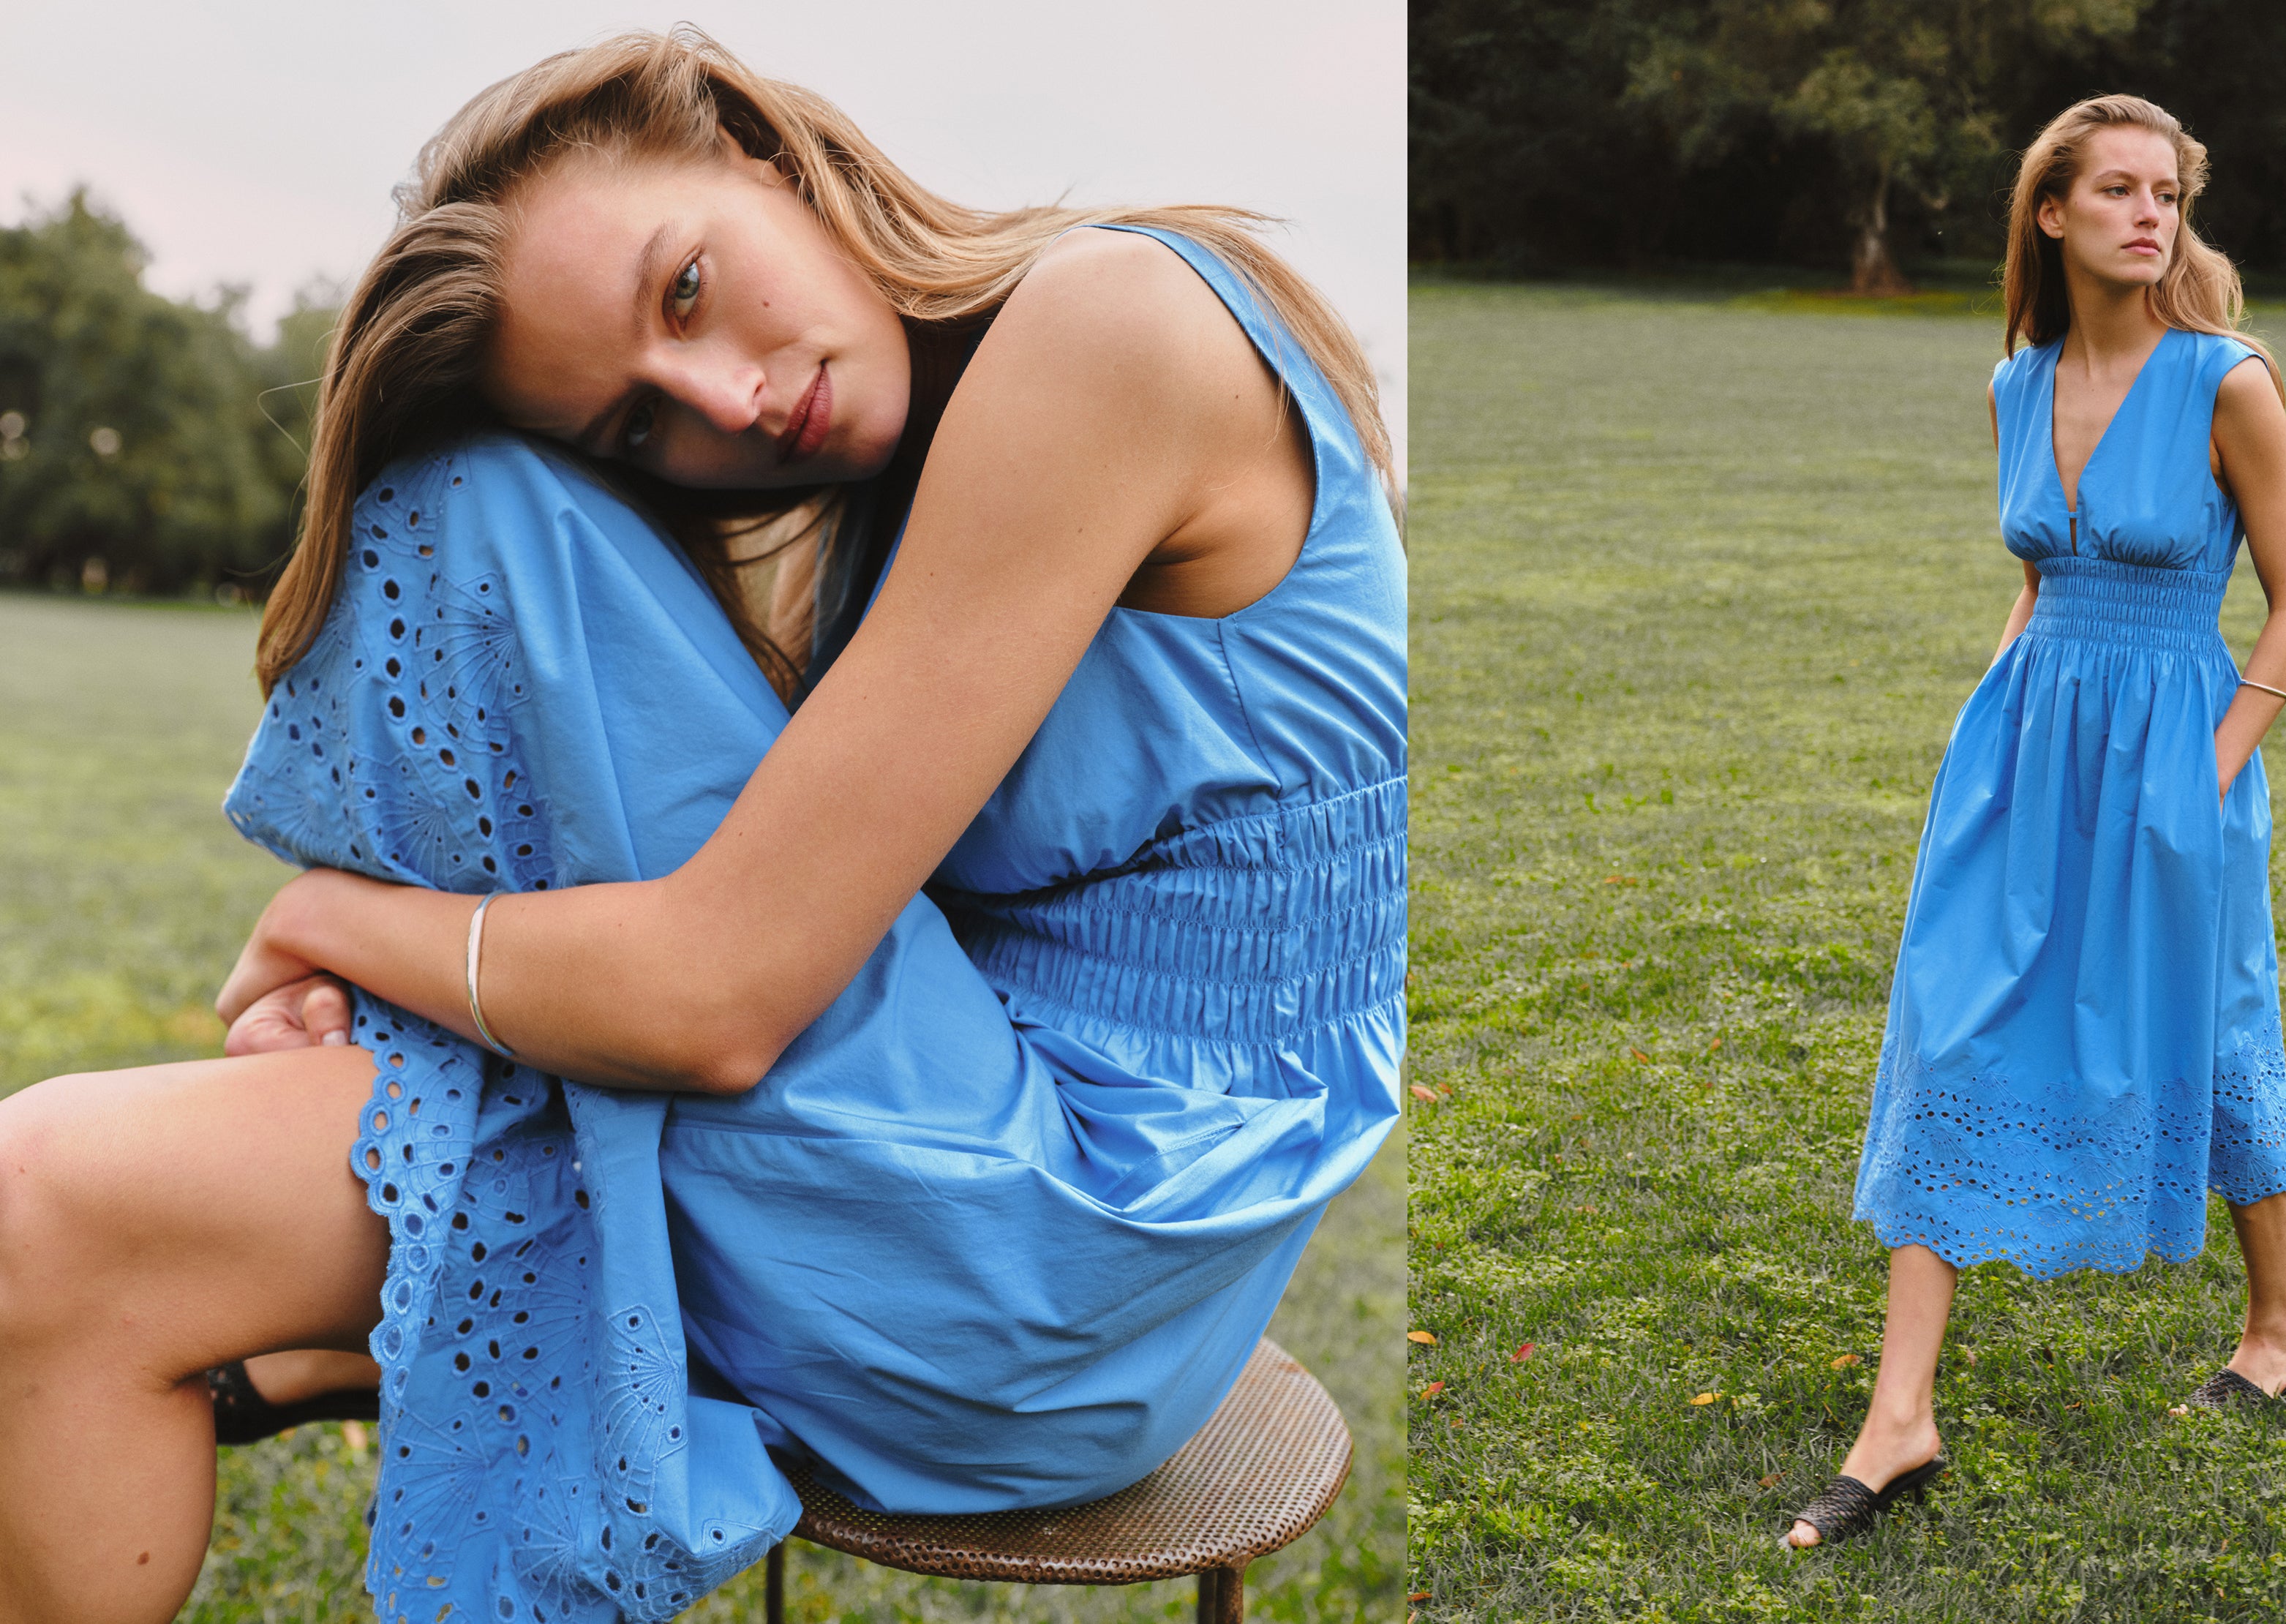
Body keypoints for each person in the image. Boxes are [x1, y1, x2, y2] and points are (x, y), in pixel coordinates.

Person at [0, 29, 1402, 1623]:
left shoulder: (1114, 324)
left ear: (755, 146)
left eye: (682, 290)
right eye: (640, 430)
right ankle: (384, 1244)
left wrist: (329, 922)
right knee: (497, 492)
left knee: (52, 1197)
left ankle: (365, 1238)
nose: (725, 402)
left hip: (1052, 1264)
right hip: (995, 1181)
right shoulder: (913, 467)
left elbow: (714, 1001)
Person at [1783, 94, 2286, 1549]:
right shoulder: (2015, 385)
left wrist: (2206, 774)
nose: (2151, 216)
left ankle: (2279, 1322)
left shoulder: (2228, 383)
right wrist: (1998, 709)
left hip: (2179, 752)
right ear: (2052, 212)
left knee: (2207, 1025)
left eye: (2168, 194)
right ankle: (1901, 1418)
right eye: (2121, 193)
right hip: (2019, 760)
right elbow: (2039, 571)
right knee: (1950, 1025)